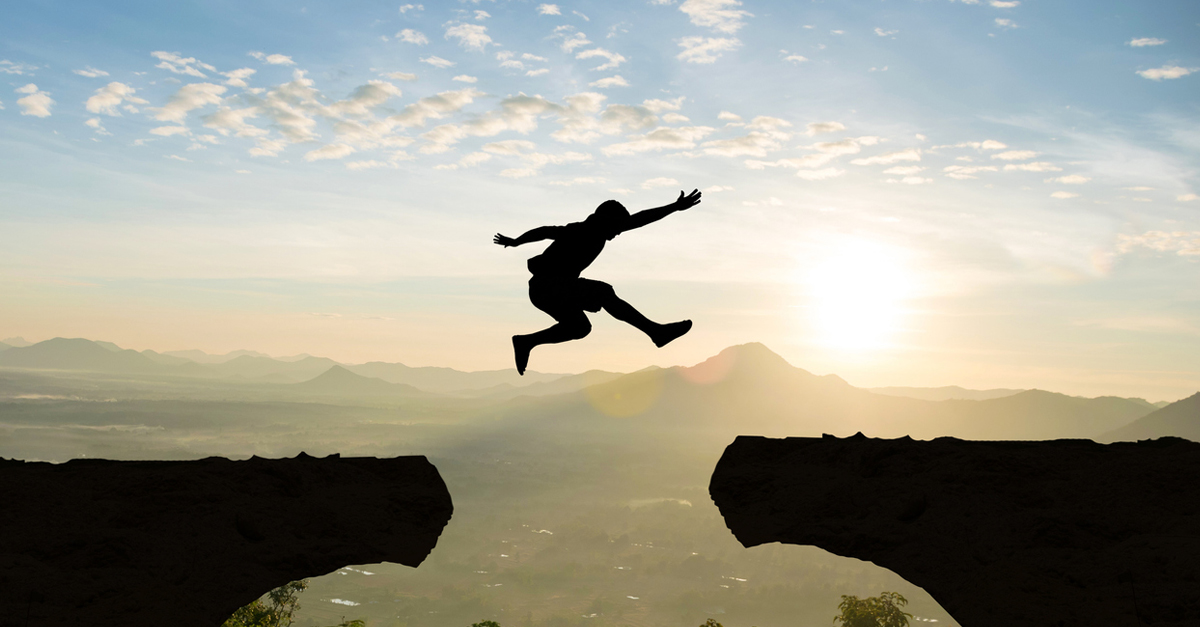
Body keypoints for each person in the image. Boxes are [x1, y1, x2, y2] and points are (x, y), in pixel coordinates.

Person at [494, 189, 702, 375]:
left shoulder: (593, 230)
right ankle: (656, 332)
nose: (618, 233)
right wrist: (516, 241)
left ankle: (526, 342)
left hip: (549, 291)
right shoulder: (583, 230)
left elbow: (640, 219)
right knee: (603, 292)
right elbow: (545, 231)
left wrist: (675, 207)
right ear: (606, 220)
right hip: (547, 288)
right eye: (617, 227)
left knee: (579, 328)